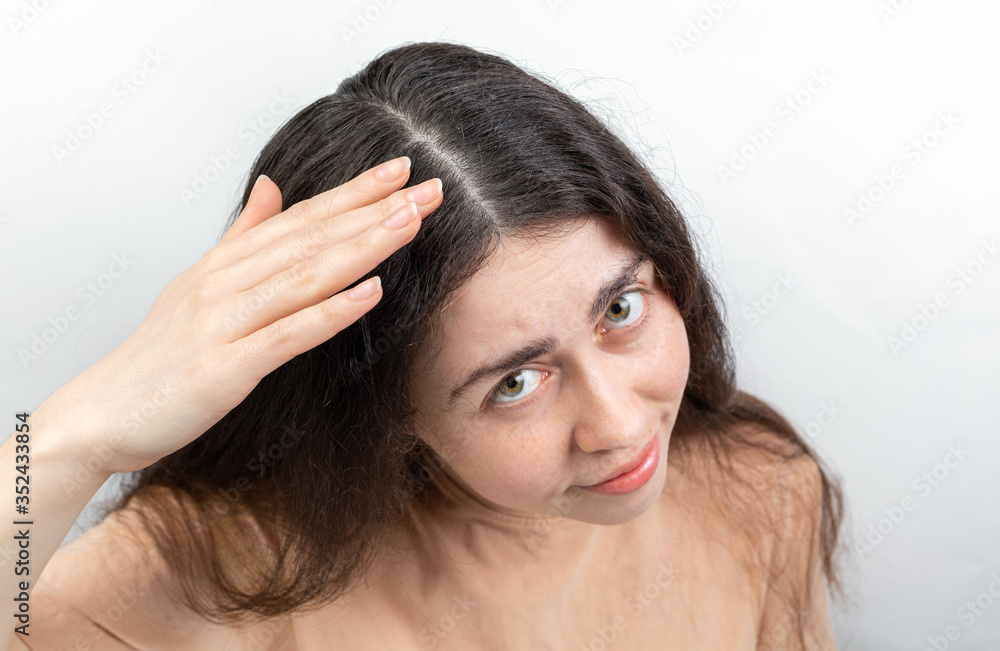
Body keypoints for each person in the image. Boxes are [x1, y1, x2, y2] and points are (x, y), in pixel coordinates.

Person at [4, 41, 846, 650]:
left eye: (620, 308)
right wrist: (73, 436)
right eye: (515, 382)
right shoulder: (222, 573)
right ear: (389, 411)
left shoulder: (760, 492)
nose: (622, 425)